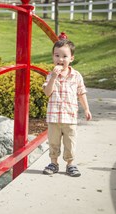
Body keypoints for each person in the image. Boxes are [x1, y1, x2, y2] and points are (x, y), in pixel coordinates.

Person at [42, 33, 92, 177]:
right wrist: (53, 77)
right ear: (53, 57)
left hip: (69, 117)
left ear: (71, 59)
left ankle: (70, 164)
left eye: (64, 56)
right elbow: (47, 92)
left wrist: (86, 109)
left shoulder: (76, 76)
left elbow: (81, 93)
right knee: (53, 142)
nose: (60, 59)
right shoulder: (50, 75)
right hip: (54, 117)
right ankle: (53, 162)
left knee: (70, 142)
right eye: (57, 56)